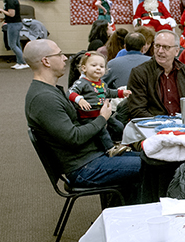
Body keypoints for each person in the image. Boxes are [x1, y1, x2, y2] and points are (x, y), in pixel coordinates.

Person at [24, 39, 142, 198]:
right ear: (46, 61)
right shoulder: (44, 98)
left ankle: (124, 210)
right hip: (84, 168)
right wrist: (102, 119)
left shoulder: (49, 91)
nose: (65, 58)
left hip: (90, 158)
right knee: (153, 164)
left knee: (148, 157)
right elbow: (73, 137)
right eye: (59, 54)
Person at [68, 52, 131, 153]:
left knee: (118, 125)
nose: (98, 68)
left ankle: (117, 143)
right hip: (89, 116)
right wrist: (80, 99)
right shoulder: (82, 82)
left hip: (102, 114)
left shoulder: (101, 83)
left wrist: (121, 93)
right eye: (94, 65)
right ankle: (110, 150)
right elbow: (70, 92)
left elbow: (109, 92)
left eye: (101, 66)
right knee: (102, 131)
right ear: (84, 68)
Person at [127, 30, 185, 118]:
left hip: (182, 126)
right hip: (151, 126)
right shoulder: (140, 73)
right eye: (157, 46)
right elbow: (137, 111)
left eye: (165, 47)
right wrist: (164, 123)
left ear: (176, 51)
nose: (160, 51)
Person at [0, 0, 27, 69]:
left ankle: (23, 62)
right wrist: (4, 18)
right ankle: (19, 62)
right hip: (16, 23)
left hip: (13, 25)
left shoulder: (10, 0)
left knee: (12, 44)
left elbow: (12, 14)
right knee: (17, 44)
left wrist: (2, 11)